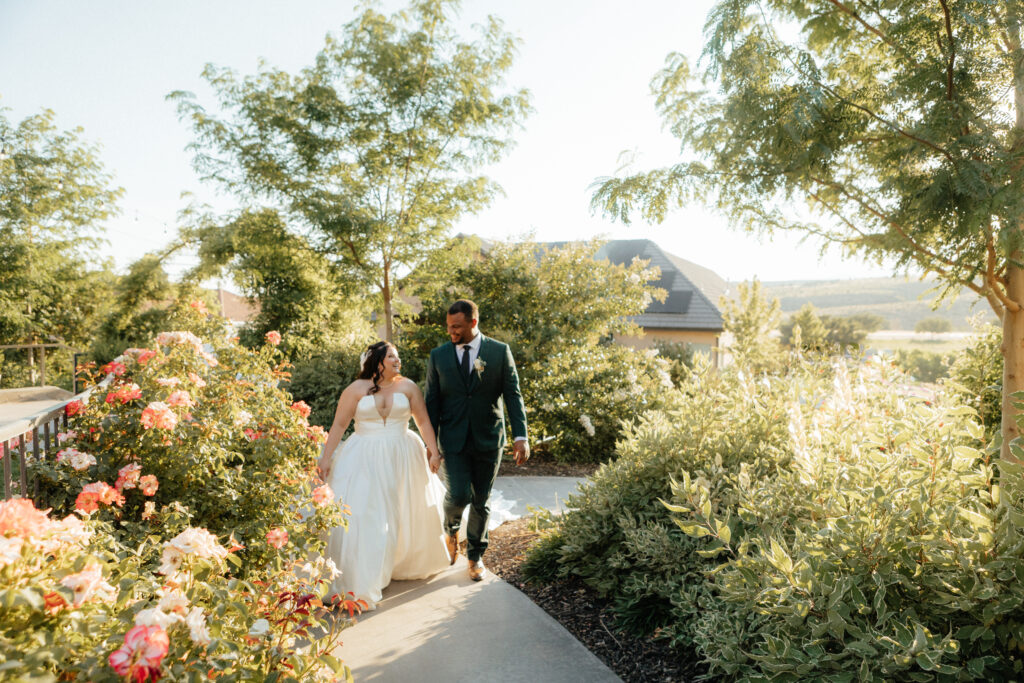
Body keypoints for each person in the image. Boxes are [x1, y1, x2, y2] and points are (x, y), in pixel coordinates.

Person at [317, 341, 451, 609]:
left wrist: (433, 451)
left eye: (397, 356)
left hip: (403, 455)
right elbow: (340, 424)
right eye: (391, 357)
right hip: (363, 457)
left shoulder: (408, 387)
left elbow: (423, 421)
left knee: (400, 511)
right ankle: (365, 574)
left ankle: (399, 562)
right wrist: (325, 457)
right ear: (377, 362)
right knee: (369, 514)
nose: (397, 360)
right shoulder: (355, 390)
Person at [425, 299, 529, 582]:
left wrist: (521, 436)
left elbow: (513, 395)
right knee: (458, 494)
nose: (451, 332)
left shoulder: (499, 352)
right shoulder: (439, 356)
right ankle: (451, 528)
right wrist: (430, 445)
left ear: (473, 323)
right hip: (453, 438)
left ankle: (475, 556)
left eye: (456, 327)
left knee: (481, 500)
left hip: (489, 438)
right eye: (448, 327)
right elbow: (431, 403)